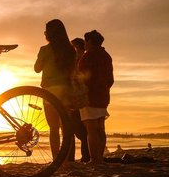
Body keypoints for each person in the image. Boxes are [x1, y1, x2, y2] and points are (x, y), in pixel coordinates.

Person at [34, 19, 76, 159]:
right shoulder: (70, 50)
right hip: (66, 90)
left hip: (50, 91)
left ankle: (56, 160)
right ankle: (68, 159)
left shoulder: (45, 50)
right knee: (66, 127)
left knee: (53, 128)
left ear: (49, 34)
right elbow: (73, 71)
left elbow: (37, 69)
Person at [78, 30, 114, 165]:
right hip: (103, 95)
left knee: (91, 129)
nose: (84, 44)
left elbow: (81, 76)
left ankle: (95, 159)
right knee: (100, 128)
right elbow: (110, 79)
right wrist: (104, 88)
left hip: (89, 96)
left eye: (85, 41)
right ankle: (99, 158)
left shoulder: (88, 56)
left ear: (90, 41)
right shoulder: (106, 56)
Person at [68, 37, 90, 162]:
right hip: (72, 100)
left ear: (81, 49)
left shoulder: (84, 61)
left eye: (75, 48)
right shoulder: (72, 62)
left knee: (83, 132)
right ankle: (71, 157)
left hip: (82, 100)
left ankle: (86, 157)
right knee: (70, 130)